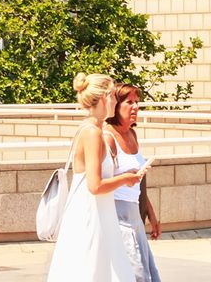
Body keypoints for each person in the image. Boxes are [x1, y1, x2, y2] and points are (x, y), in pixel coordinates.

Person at [46, 73, 150, 282]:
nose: (114, 102)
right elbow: (95, 185)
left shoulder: (93, 130)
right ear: (103, 98)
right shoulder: (92, 133)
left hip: (100, 213)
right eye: (112, 96)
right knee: (92, 271)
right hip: (91, 215)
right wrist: (126, 179)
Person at [105, 84, 162, 282]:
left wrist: (151, 215)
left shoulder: (132, 134)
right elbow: (100, 182)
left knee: (145, 274)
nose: (135, 107)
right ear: (115, 106)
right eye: (129, 102)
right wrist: (125, 179)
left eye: (137, 102)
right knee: (135, 275)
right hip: (117, 218)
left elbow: (137, 182)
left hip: (135, 216)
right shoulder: (108, 137)